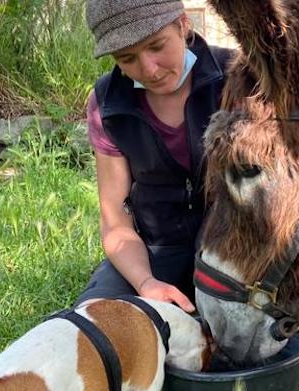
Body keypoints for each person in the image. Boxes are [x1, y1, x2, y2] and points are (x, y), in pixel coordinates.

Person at [77, 0, 234, 312]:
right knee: (96, 322)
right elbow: (115, 219)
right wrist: (145, 283)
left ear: (183, 24)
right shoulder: (108, 105)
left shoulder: (239, 78)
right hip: (153, 251)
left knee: (260, 352)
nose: (148, 69)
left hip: (235, 252)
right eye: (127, 58)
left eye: (157, 45)